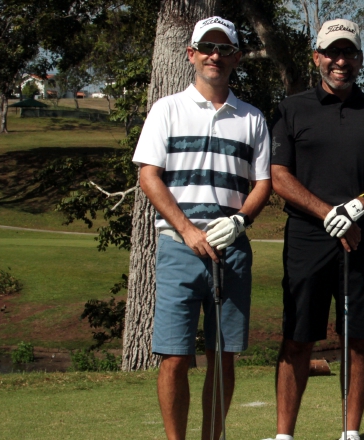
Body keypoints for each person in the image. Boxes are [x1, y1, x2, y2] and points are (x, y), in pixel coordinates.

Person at [264, 18, 364, 440]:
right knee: (297, 338)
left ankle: (350, 432)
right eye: (332, 52)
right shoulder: (292, 109)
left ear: (360, 59)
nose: (340, 61)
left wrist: (359, 206)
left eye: (348, 53)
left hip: (363, 238)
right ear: (317, 58)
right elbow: (279, 176)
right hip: (309, 237)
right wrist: (330, 214)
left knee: (358, 339)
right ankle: (284, 434)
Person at [132, 16, 271, 440]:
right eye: (207, 48)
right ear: (191, 54)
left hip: (232, 249)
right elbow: (149, 175)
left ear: (236, 57)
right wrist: (189, 230)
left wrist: (239, 220)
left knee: (223, 354)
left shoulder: (252, 118)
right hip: (178, 247)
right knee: (174, 357)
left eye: (224, 49)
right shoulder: (167, 109)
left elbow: (263, 182)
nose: (215, 56)